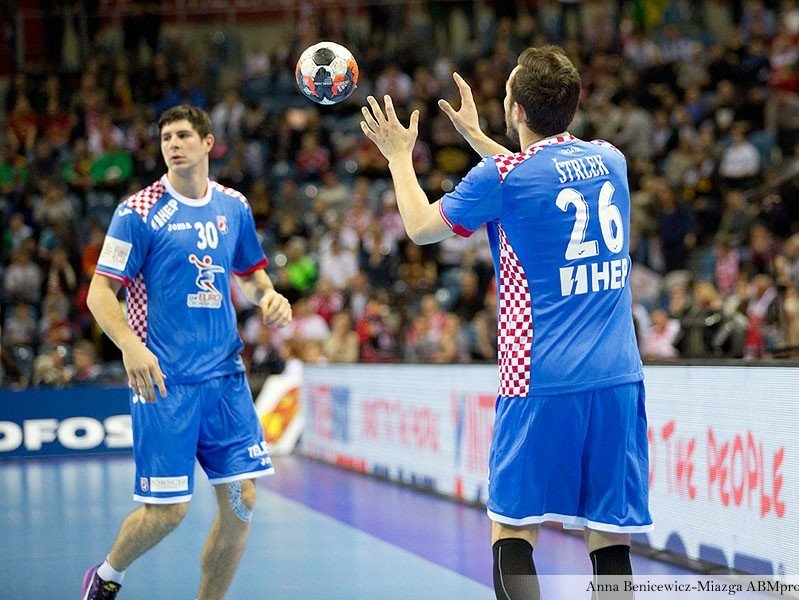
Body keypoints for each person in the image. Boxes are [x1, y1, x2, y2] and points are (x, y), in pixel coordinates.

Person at [360, 46, 652, 600]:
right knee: (609, 536)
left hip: (538, 377)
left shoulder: (500, 176)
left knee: (513, 530)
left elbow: (420, 226)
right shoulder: (611, 160)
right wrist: (475, 136)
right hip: (618, 376)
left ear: (514, 108)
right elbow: (544, 174)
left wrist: (398, 156)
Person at [81, 105, 292, 600]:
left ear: (208, 142)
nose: (173, 145)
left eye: (182, 136)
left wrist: (269, 296)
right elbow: (99, 293)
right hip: (164, 383)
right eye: (166, 138)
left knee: (242, 501)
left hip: (225, 381)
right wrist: (130, 347)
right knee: (168, 511)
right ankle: (108, 575)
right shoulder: (137, 212)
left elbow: (251, 274)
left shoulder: (233, 207)